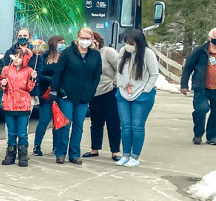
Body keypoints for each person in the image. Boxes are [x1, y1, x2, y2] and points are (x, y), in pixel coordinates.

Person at [49, 27, 101, 165]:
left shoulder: (96, 55)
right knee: (65, 125)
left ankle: (74, 154)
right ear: (77, 38)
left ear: (92, 40)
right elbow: (58, 73)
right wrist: (54, 90)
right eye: (82, 38)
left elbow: (97, 76)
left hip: (84, 97)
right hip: (66, 95)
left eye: (87, 39)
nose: (85, 41)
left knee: (78, 126)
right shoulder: (67, 53)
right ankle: (60, 153)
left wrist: (91, 91)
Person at [115, 30, 159, 168]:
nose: (128, 46)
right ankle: (126, 155)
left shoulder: (148, 54)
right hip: (123, 94)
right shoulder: (123, 52)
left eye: (131, 43)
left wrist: (145, 91)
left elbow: (154, 74)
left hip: (141, 94)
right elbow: (118, 71)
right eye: (126, 42)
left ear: (138, 43)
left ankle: (135, 156)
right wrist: (120, 86)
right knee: (125, 126)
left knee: (137, 126)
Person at [85, 32, 121, 161]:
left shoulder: (108, 52)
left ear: (98, 41)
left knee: (113, 122)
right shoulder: (87, 55)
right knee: (96, 122)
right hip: (94, 93)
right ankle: (94, 149)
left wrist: (115, 84)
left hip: (110, 91)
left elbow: (120, 67)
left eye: (91, 40)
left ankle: (115, 152)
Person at [0, 50, 36, 167]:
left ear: (25, 59)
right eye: (15, 56)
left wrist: (32, 79)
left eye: (19, 57)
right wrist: (3, 83)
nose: (16, 59)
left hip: (23, 105)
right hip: (9, 104)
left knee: (22, 132)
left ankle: (23, 155)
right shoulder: (6, 69)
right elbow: (2, 86)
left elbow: (29, 89)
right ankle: (10, 155)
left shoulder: (29, 71)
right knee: (11, 132)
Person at [181, 28, 216, 145]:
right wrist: (184, 85)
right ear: (210, 38)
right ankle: (198, 133)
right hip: (202, 87)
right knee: (201, 109)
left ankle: (212, 137)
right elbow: (188, 68)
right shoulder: (199, 51)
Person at [32, 36, 64, 157]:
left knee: (58, 122)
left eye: (63, 43)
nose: (62, 45)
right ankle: (37, 146)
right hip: (45, 94)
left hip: (60, 94)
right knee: (44, 120)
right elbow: (39, 74)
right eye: (60, 42)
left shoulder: (64, 57)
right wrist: (53, 80)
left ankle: (56, 146)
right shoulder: (44, 57)